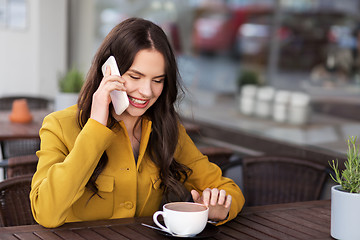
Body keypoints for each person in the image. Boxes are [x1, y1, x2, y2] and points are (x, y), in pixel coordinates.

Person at [30, 17, 245, 228]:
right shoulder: (59, 126)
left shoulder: (166, 129)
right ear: (109, 71)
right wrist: (95, 126)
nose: (146, 91)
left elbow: (228, 189)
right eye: (135, 76)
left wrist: (219, 209)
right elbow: (46, 213)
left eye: (157, 80)